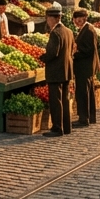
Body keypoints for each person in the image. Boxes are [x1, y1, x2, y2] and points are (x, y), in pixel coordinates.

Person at [41, 7, 73, 135]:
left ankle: (57, 127)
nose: (47, 21)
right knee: (65, 99)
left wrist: (42, 57)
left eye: (48, 19)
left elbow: (53, 53)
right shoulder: (68, 31)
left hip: (56, 71)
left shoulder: (55, 33)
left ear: (53, 19)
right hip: (66, 70)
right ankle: (67, 127)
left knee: (56, 100)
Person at [71, 9, 99, 126]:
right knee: (88, 91)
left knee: (83, 92)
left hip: (84, 66)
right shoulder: (86, 29)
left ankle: (84, 118)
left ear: (83, 18)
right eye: (74, 20)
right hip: (86, 66)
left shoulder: (88, 30)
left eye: (77, 20)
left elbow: (89, 50)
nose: (76, 22)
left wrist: (75, 54)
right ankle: (90, 116)